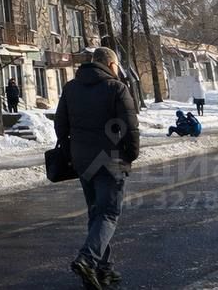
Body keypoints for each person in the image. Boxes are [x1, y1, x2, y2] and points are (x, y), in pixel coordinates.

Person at [54, 47, 140, 290]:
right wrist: (131, 154)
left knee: (96, 213)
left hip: (83, 162)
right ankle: (87, 259)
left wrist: (72, 151)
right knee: (108, 213)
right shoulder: (116, 88)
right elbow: (130, 126)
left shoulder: (71, 88)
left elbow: (60, 125)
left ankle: (104, 269)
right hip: (111, 160)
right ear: (111, 65)